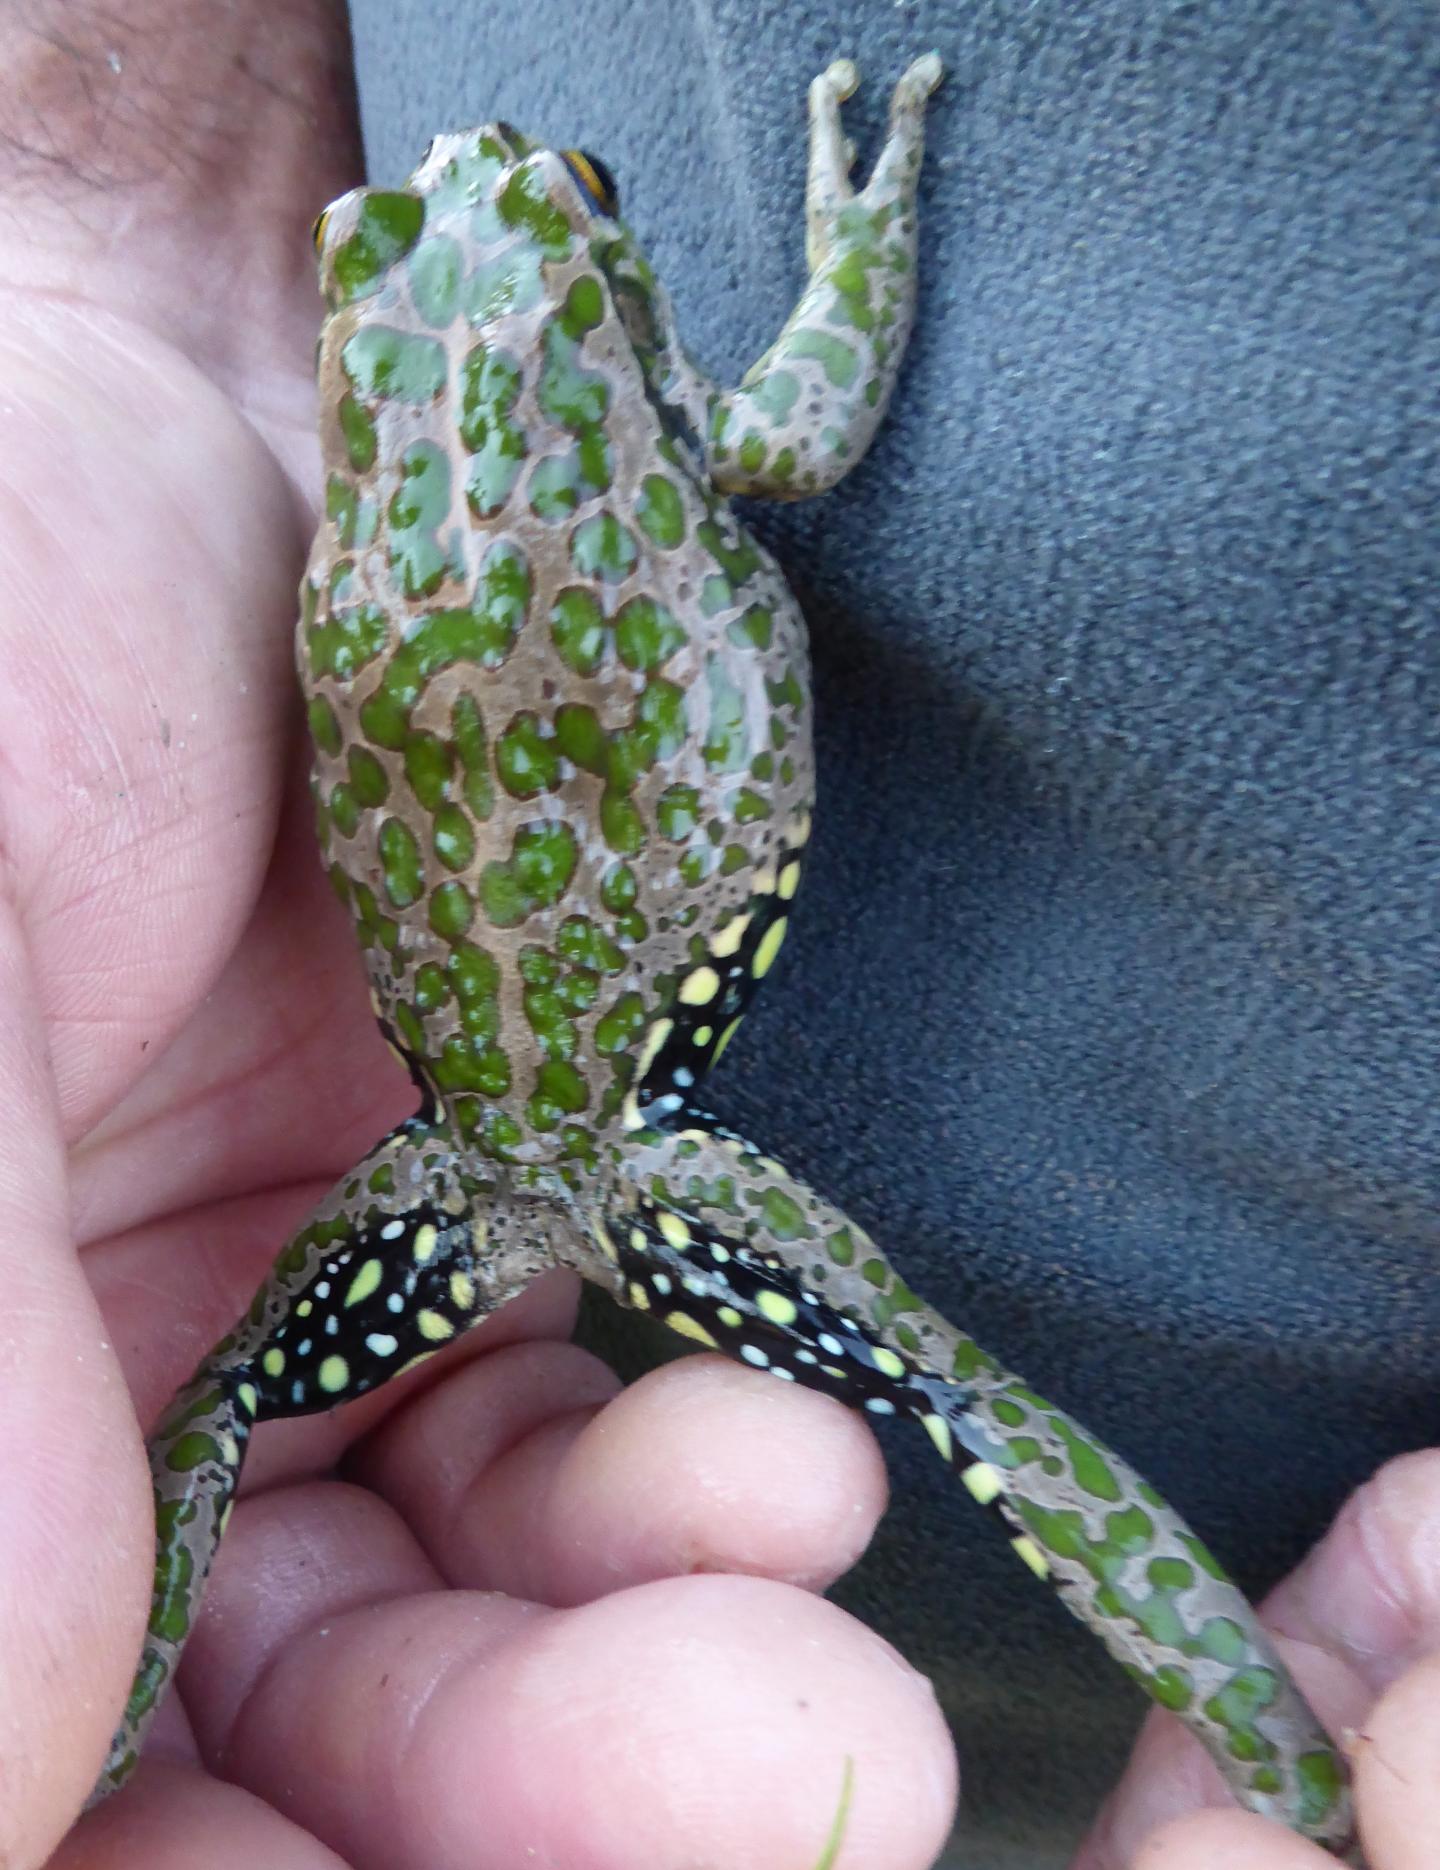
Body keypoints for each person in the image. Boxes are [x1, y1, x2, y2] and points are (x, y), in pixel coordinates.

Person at [3, 3, 1435, 1866]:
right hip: (626, 1153)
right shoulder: (665, 428)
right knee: (961, 1402)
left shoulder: (379, 509)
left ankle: (1289, 1761)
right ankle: (1282, 1750)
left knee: (212, 1418)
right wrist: (859, 239)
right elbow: (810, 424)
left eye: (577, 188)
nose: (465, 184)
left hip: (461, 1156)